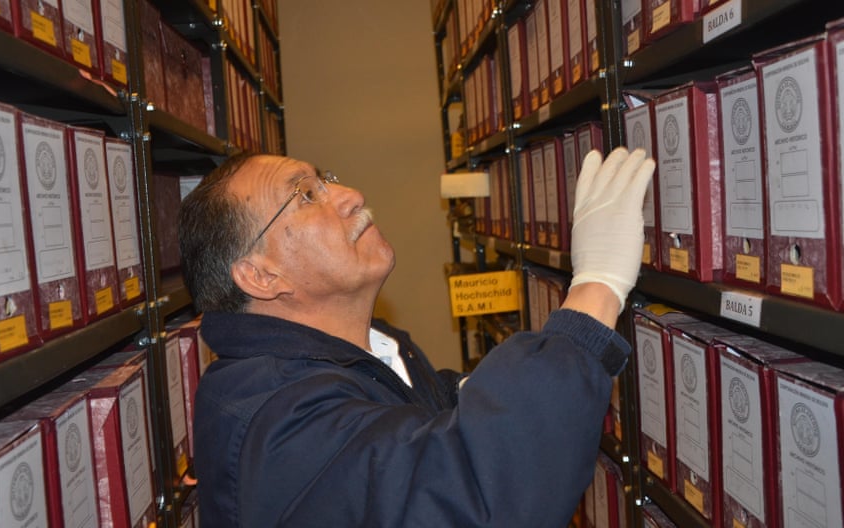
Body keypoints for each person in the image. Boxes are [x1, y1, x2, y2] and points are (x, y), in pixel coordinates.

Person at [178, 147, 655, 527]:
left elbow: (403, 429)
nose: (350, 195)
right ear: (261, 276)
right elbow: (474, 498)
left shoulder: (369, 351)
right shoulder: (280, 425)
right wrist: (597, 288)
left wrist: (466, 395)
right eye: (306, 195)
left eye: (325, 179)